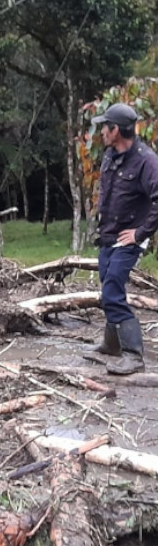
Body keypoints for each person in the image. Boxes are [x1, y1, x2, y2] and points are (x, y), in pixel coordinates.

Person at [85, 102, 158, 375]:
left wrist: (140, 233)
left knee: (113, 288)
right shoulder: (110, 155)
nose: (102, 131)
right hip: (108, 236)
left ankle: (133, 355)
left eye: (105, 126)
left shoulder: (147, 161)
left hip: (129, 239)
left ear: (116, 130)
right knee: (108, 286)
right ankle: (111, 344)